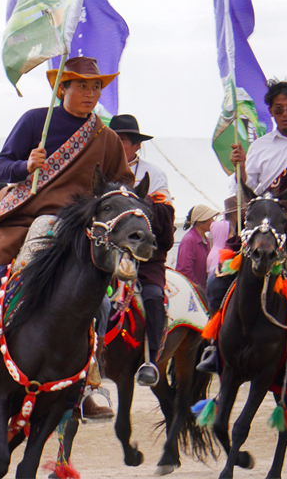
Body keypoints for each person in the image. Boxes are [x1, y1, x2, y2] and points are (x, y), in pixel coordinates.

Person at [0, 57, 134, 408]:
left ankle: (91, 380)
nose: (90, 93)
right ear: (62, 89)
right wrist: (25, 165)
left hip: (75, 234)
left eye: (96, 87)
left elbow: (120, 185)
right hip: (23, 221)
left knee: (101, 303)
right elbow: (0, 167)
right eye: (82, 86)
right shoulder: (35, 121)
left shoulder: (106, 139)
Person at [198, 79, 287, 386]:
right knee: (215, 281)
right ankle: (215, 348)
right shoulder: (259, 147)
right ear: (271, 113)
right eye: (279, 110)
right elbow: (247, 194)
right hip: (260, 237)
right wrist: (240, 170)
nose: (286, 114)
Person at [109, 114, 176, 388]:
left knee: (152, 294)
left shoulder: (154, 173)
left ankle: (152, 357)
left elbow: (165, 216)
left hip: (143, 255)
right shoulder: (99, 169)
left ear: (136, 145)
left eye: (123, 140)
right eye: (113, 140)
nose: (117, 144)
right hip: (105, 254)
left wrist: (137, 203)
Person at [176, 205, 219, 291]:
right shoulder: (189, 240)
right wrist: (200, 290)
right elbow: (185, 270)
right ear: (200, 223)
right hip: (192, 293)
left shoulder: (206, 240)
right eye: (210, 219)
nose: (213, 221)